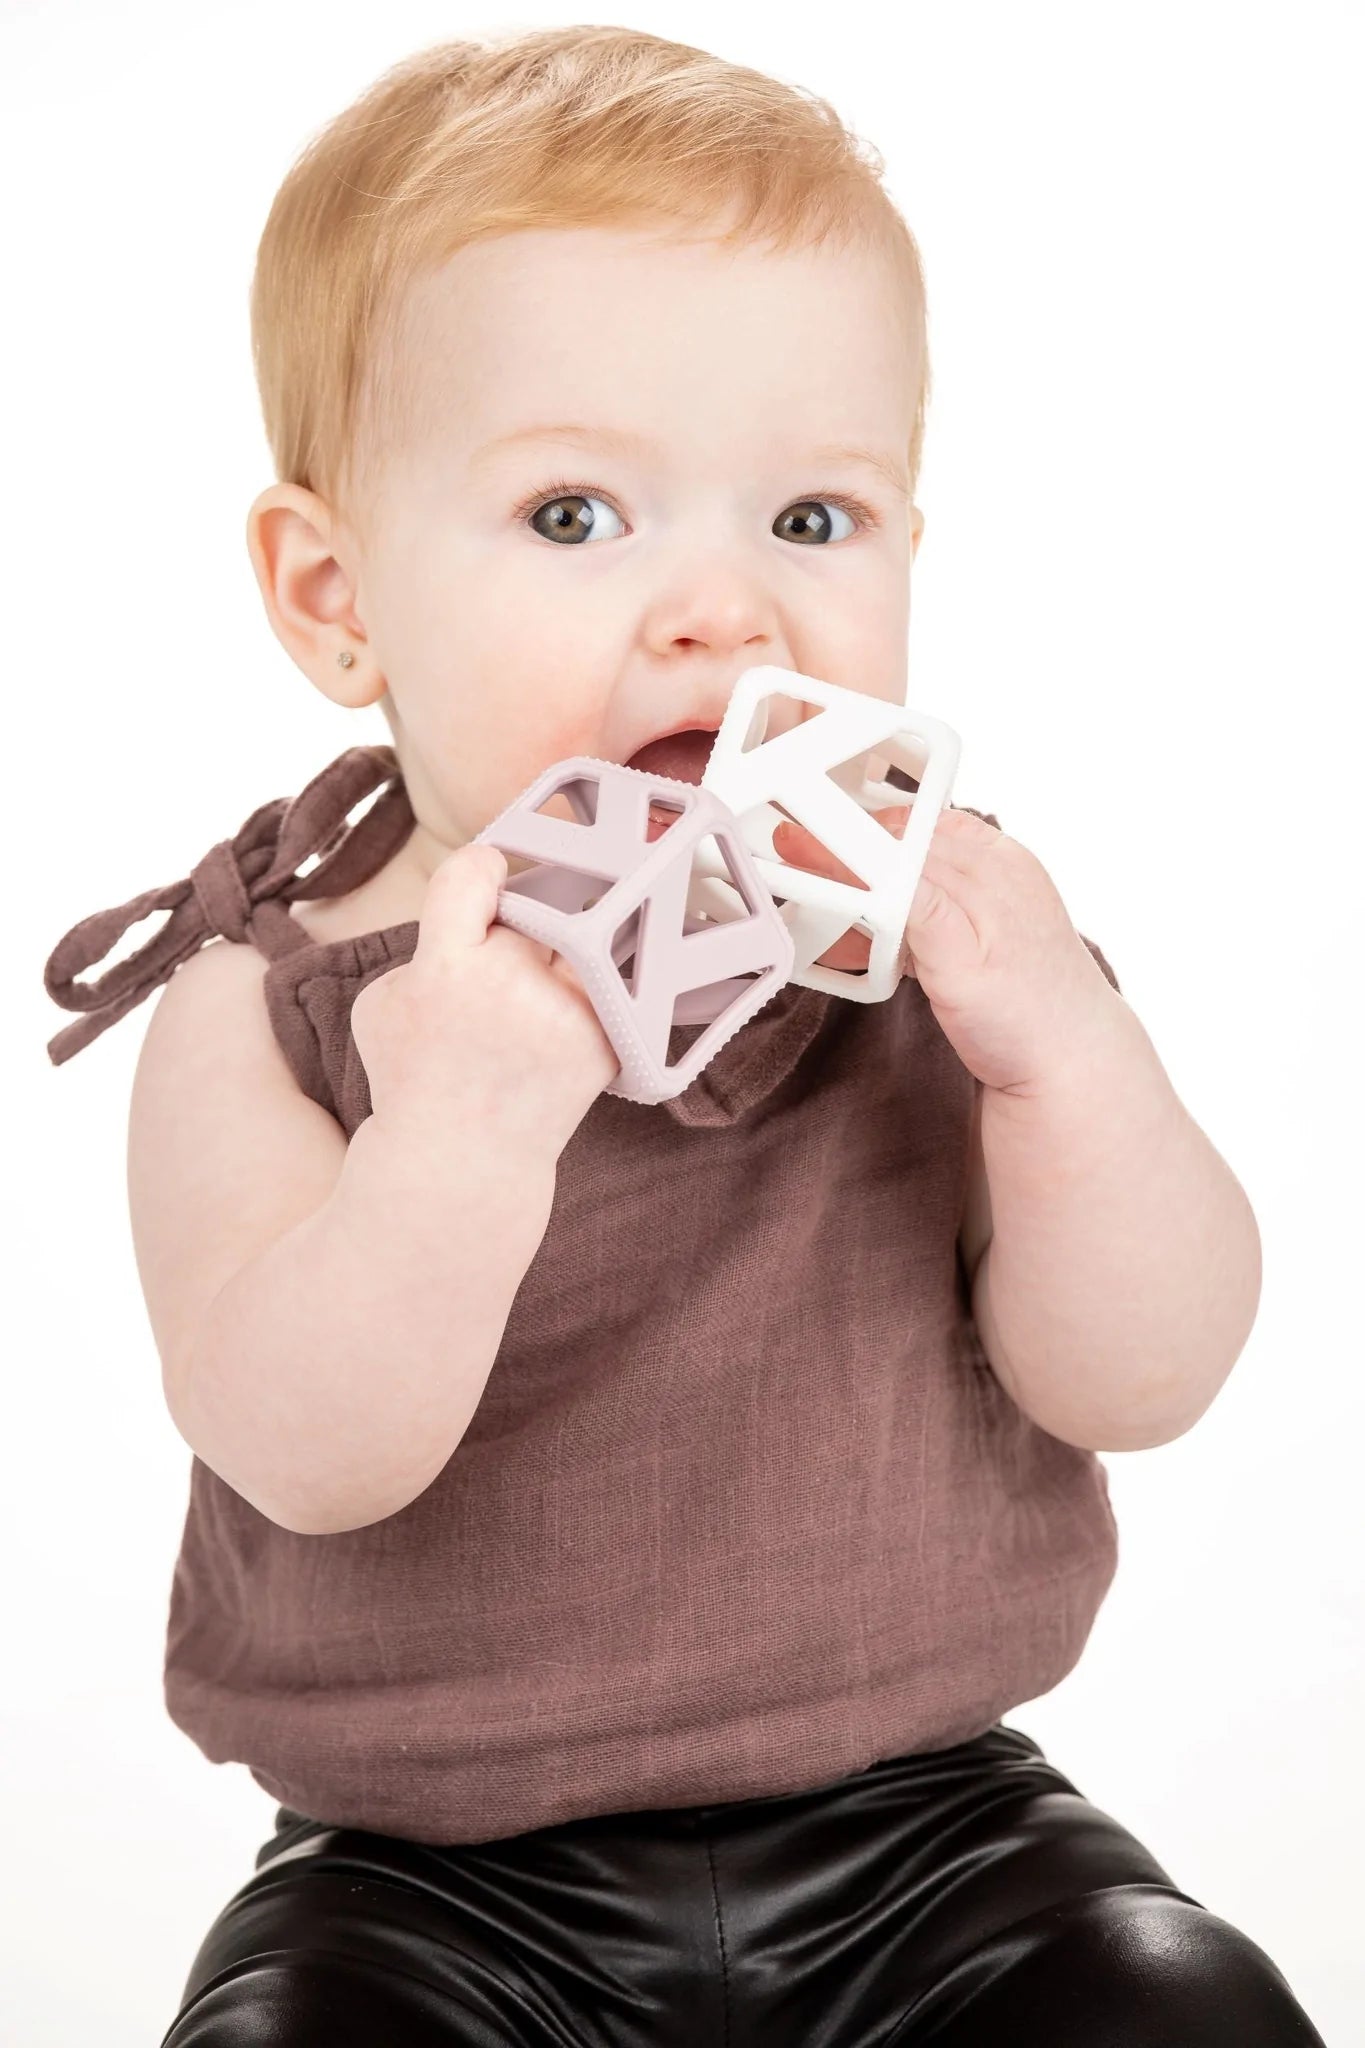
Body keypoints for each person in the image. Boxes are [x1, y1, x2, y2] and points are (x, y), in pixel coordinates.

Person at [42, 25, 1327, 2046]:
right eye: (574, 516)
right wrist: (457, 1138)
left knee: (1184, 2007)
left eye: (810, 519)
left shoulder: (946, 950)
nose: (721, 611)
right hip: (424, 1883)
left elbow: (1138, 1373)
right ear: (334, 595)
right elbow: (305, 1458)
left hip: (934, 1833)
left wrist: (1065, 1061)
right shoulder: (260, 1008)